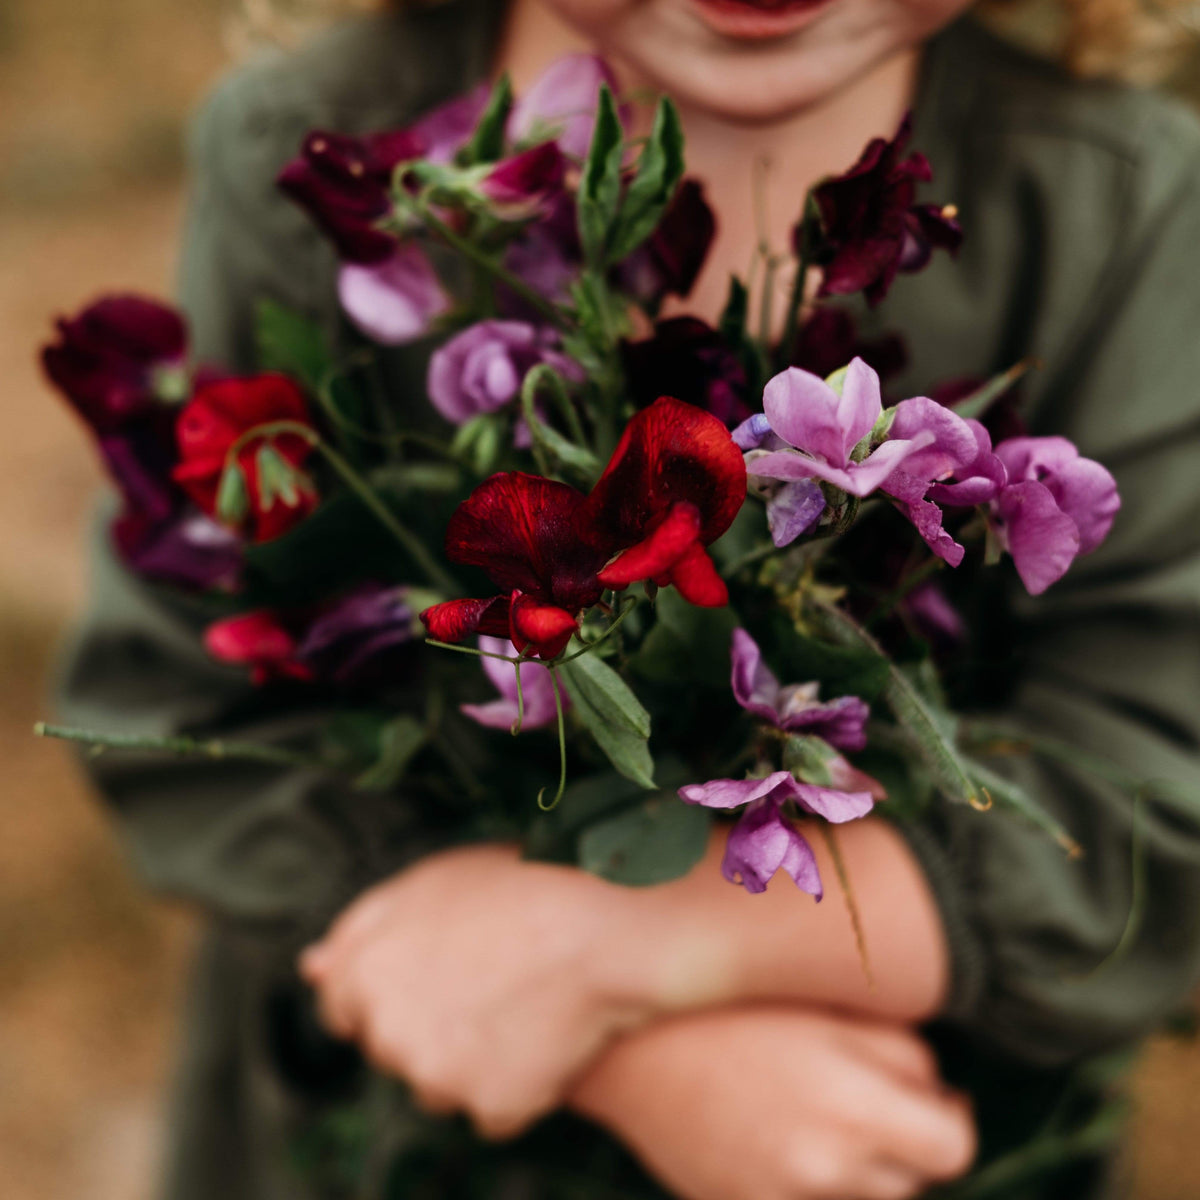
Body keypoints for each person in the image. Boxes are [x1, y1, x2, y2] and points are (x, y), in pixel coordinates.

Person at [56, 0, 1200, 1197]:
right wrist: (637, 1060)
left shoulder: (1122, 208)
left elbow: (1159, 803)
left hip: (900, 1148)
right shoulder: (319, 155)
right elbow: (188, 709)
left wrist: (641, 953)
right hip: (395, 1140)